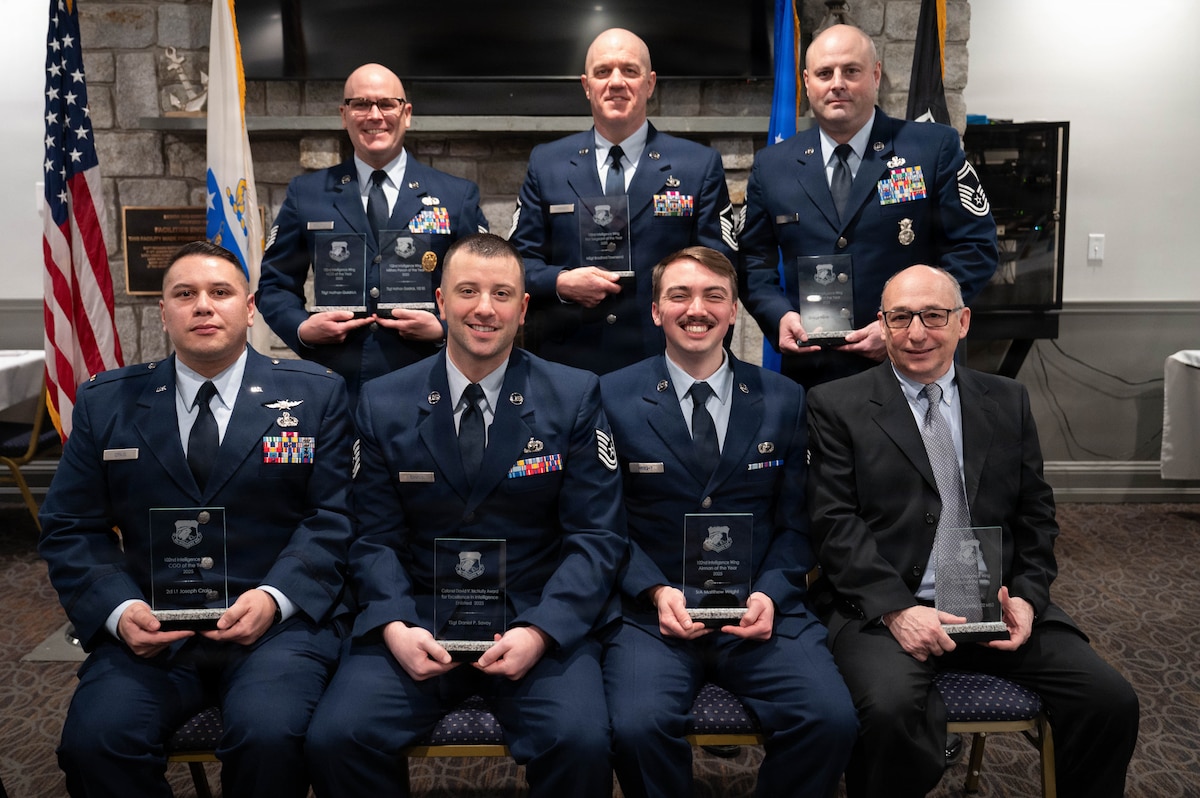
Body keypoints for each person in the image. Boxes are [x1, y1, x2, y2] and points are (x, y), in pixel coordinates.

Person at [305, 233, 626, 798]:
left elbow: (595, 536)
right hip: (419, 616)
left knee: (580, 742)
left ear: (523, 308)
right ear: (440, 301)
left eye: (502, 294)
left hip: (534, 615)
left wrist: (541, 631)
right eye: (468, 291)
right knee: (337, 738)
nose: (485, 308)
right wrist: (395, 625)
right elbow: (373, 538)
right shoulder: (382, 400)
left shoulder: (574, 395)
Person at [804, 264, 1139, 798]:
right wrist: (897, 609)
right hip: (886, 608)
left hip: (996, 603)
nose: (916, 333)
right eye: (900, 318)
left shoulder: (1007, 400)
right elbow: (834, 523)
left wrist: (1027, 597)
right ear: (882, 325)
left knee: (1109, 701)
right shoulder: (836, 405)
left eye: (933, 316)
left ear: (962, 322)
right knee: (889, 711)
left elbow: (1036, 514)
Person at [38, 241, 355, 798]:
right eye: (185, 294)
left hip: (274, 628)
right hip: (153, 626)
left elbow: (332, 516)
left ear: (249, 308)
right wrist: (119, 611)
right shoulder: (106, 402)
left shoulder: (315, 395)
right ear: (164, 313)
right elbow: (71, 526)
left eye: (220, 292)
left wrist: (275, 597)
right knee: (96, 743)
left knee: (270, 737)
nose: (203, 305)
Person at [599, 247, 857, 797]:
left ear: (735, 310)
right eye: (680, 295)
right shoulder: (610, 397)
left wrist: (771, 593)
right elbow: (603, 522)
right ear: (656, 311)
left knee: (830, 720)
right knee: (637, 729)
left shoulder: (785, 399)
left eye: (714, 296)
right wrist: (653, 590)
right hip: (653, 613)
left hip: (760, 609)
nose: (697, 309)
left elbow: (798, 522)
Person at [740, 24, 998, 389]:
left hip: (913, 365)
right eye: (825, 73)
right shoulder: (773, 165)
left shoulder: (932, 148)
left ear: (875, 74)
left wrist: (906, 324)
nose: (837, 84)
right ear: (807, 82)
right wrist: (778, 315)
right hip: (814, 373)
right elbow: (751, 261)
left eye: (851, 71)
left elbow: (976, 248)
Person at [509, 27, 738, 375]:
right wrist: (561, 282)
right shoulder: (547, 163)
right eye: (603, 72)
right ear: (587, 85)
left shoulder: (697, 165)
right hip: (567, 364)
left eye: (630, 71)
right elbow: (516, 264)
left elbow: (722, 270)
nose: (616, 82)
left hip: (663, 363)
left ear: (650, 83)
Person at [256, 63, 488, 405]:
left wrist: (445, 328)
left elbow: (485, 284)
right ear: (344, 114)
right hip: (337, 385)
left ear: (406, 114)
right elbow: (275, 285)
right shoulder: (307, 194)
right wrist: (302, 329)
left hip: (430, 378)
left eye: (386, 104)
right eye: (361, 104)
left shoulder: (455, 195)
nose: (374, 115)